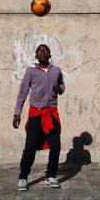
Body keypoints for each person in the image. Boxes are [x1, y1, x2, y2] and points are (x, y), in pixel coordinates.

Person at [13, 44, 65, 191]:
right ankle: (23, 177)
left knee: (56, 146)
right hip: (36, 113)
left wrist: (59, 89)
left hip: (51, 114)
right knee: (30, 147)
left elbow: (62, 85)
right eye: (39, 51)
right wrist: (17, 113)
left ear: (49, 54)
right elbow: (23, 93)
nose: (42, 52)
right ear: (36, 56)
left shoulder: (56, 70)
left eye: (45, 50)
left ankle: (51, 176)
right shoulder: (31, 71)